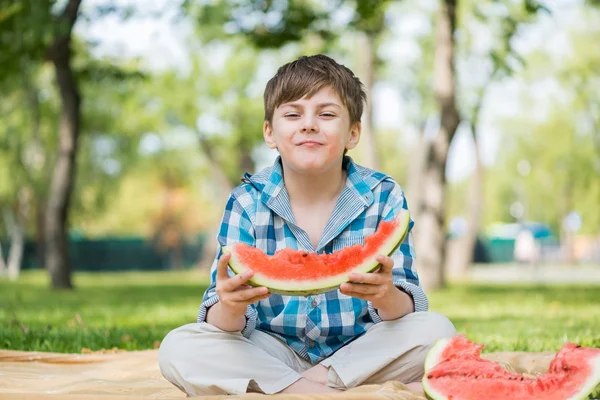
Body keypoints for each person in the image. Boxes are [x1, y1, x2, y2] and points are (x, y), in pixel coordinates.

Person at [158, 54, 456, 396]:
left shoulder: (383, 195)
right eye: (292, 114)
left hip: (358, 351)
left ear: (353, 133)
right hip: (269, 351)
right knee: (177, 347)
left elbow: (405, 304)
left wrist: (387, 296)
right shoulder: (245, 201)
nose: (309, 124)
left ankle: (298, 390)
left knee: (437, 331)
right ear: (270, 133)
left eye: (327, 114)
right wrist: (230, 306)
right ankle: (317, 390)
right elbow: (224, 323)